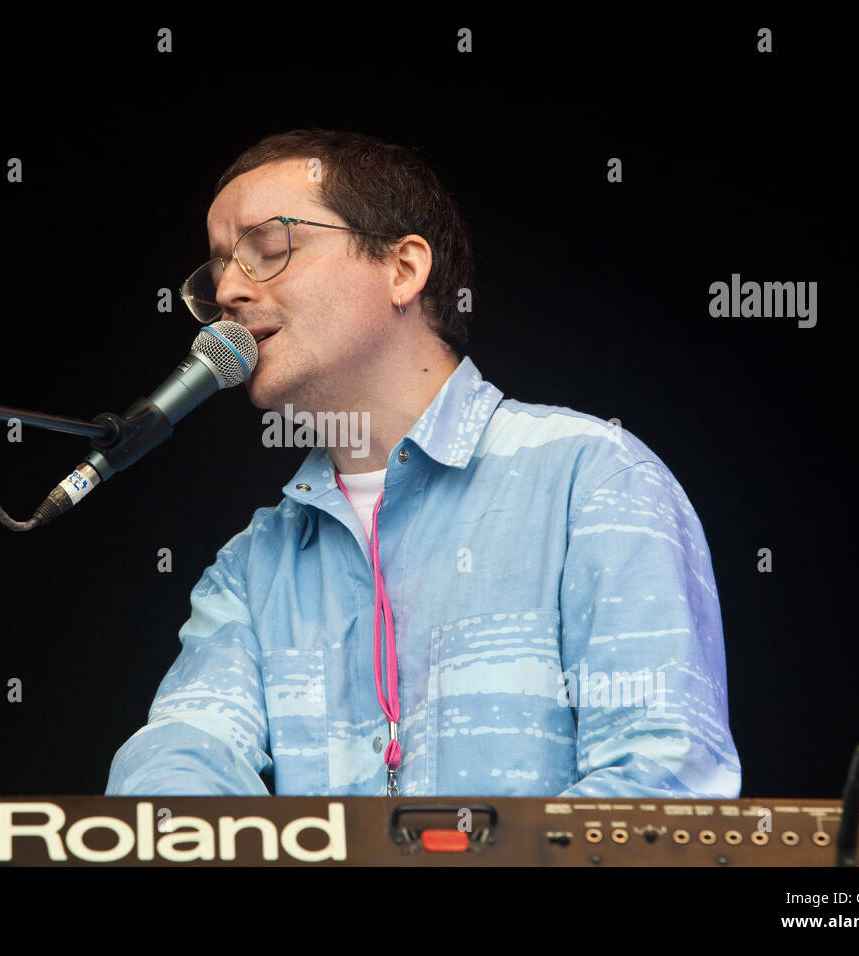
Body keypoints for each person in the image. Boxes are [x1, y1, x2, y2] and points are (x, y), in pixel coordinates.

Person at [106, 129, 741, 798]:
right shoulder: (253, 563)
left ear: (403, 269)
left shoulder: (592, 478)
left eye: (268, 249)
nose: (230, 288)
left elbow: (663, 785)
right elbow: (174, 772)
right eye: (219, 268)